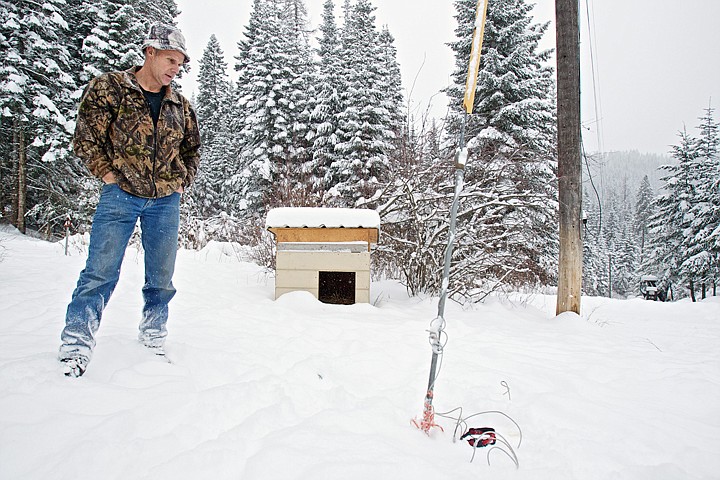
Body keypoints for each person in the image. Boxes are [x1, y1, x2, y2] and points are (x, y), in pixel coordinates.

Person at [58, 23, 201, 377]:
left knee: (162, 277)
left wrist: (182, 181)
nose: (175, 69)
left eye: (180, 64)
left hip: (166, 201)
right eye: (170, 60)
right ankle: (76, 342)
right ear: (149, 52)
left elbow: (192, 148)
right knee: (100, 272)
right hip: (120, 196)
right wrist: (108, 174)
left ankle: (153, 335)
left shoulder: (178, 105)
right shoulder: (110, 88)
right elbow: (86, 138)